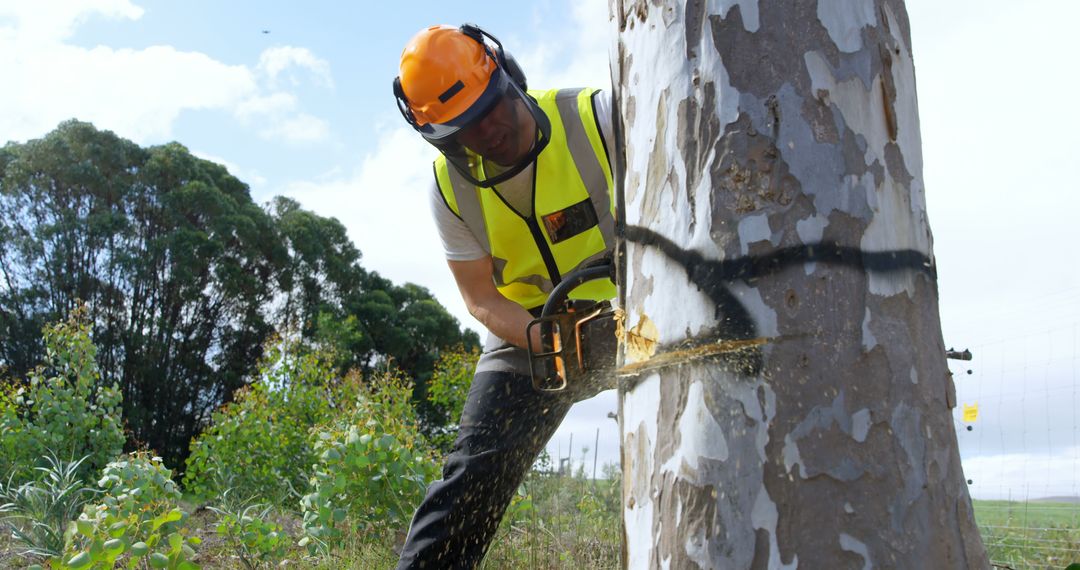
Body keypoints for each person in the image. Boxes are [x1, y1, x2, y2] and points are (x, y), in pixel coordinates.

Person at [392, 23, 618, 569]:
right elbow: (479, 297)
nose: (487, 133)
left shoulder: (597, 118)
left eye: (491, 109)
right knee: (474, 472)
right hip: (528, 328)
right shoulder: (450, 190)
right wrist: (546, 338)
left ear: (508, 77)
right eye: (464, 130)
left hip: (634, 303)